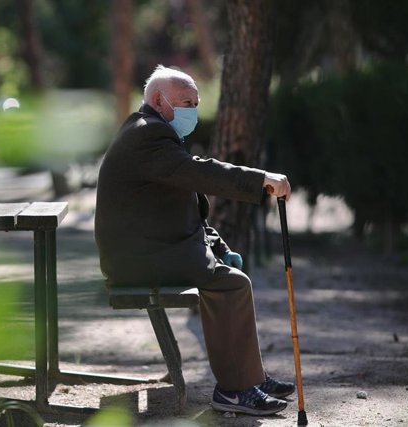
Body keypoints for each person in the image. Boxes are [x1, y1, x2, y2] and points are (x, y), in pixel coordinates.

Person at [94, 65, 294, 416]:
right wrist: (261, 178)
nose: (193, 111)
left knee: (230, 280)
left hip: (147, 250)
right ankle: (235, 390)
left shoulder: (147, 130)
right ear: (158, 101)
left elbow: (185, 208)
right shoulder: (149, 136)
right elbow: (200, 172)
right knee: (232, 285)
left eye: (196, 103)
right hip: (138, 259)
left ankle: (249, 378)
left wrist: (219, 247)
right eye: (186, 102)